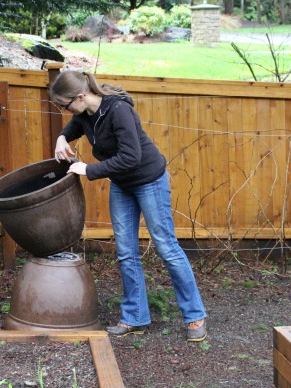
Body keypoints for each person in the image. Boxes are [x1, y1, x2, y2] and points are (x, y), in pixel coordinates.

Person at [49, 70, 207, 342]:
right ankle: (135, 317)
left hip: (149, 180)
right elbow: (74, 126)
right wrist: (62, 137)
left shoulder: (118, 111)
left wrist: (90, 169)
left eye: (65, 106)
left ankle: (195, 316)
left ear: (80, 96)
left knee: (166, 247)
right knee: (125, 251)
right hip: (122, 184)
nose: (65, 111)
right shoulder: (85, 113)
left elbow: (131, 157)